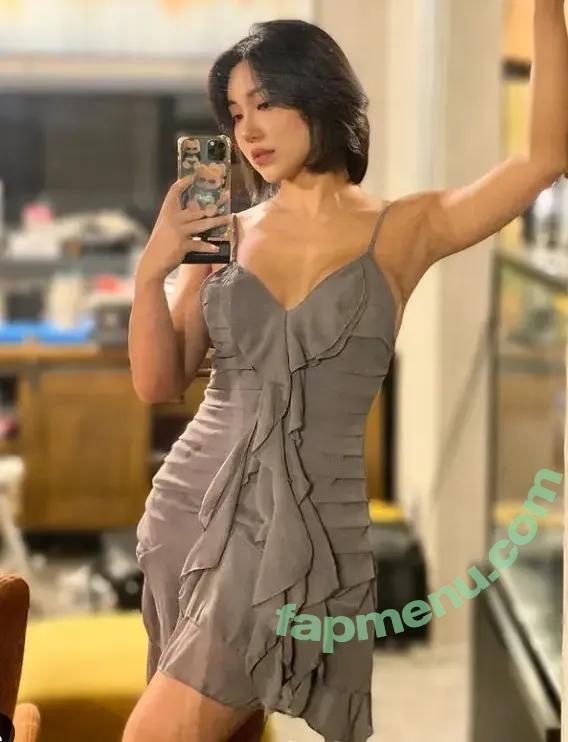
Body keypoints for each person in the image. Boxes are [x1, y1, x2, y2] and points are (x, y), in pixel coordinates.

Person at [124, 8, 568, 742]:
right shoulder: (221, 231)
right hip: (190, 509)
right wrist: (152, 271)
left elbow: (542, 158)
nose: (248, 129)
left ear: (318, 94)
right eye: (235, 113)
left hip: (304, 524)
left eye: (266, 102)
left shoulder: (405, 229)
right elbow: (156, 382)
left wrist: (547, 9)